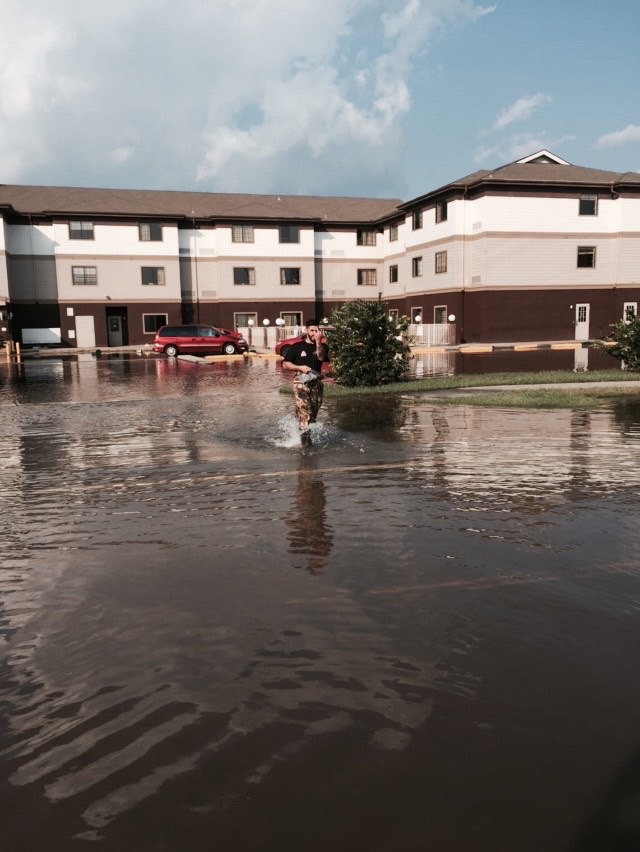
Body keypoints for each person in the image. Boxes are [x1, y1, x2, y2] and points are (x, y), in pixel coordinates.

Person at [282, 319, 329, 436]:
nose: (314, 333)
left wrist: (318, 341)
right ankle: (305, 444)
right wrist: (300, 367)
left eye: (316, 330)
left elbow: (321, 358)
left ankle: (304, 437)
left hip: (316, 382)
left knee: (313, 414)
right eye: (312, 330)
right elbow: (286, 363)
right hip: (300, 381)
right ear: (306, 330)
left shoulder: (323, 346)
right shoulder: (297, 346)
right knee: (304, 411)